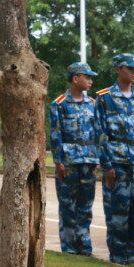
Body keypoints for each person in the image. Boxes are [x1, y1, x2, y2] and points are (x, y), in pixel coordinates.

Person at [95, 54, 134, 265]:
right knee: (117, 210)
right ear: (118, 69)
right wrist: (107, 164)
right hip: (116, 161)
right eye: (129, 68)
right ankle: (117, 254)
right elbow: (100, 133)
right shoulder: (105, 97)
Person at [49, 62, 100, 256]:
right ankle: (69, 248)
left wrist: (98, 157)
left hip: (89, 161)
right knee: (67, 206)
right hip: (69, 162)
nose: (90, 81)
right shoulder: (59, 103)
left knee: (86, 206)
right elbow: (55, 134)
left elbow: (98, 132)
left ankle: (84, 246)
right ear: (75, 78)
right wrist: (59, 161)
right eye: (87, 77)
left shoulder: (93, 104)